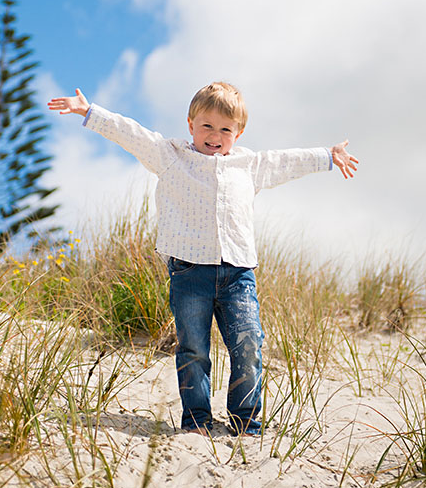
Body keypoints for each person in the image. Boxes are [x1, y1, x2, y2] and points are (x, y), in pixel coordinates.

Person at [47, 82, 356, 436]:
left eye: (226, 129)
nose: (215, 135)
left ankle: (245, 420)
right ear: (191, 123)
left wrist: (327, 156)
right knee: (193, 348)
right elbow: (131, 134)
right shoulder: (170, 155)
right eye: (207, 125)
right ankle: (196, 420)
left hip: (238, 273)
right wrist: (90, 111)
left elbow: (285, 161)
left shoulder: (248, 165)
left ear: (238, 132)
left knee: (249, 343)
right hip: (189, 272)